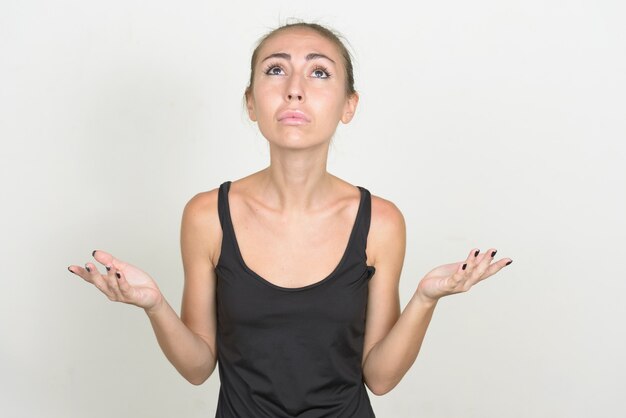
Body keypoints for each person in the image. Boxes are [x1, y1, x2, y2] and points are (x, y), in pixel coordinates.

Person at [67, 20, 513, 418]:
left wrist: (425, 298)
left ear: (348, 105)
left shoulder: (381, 221)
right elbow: (199, 367)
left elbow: (378, 377)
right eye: (276, 70)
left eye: (319, 72)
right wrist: (155, 306)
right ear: (251, 102)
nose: (294, 88)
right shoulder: (207, 215)